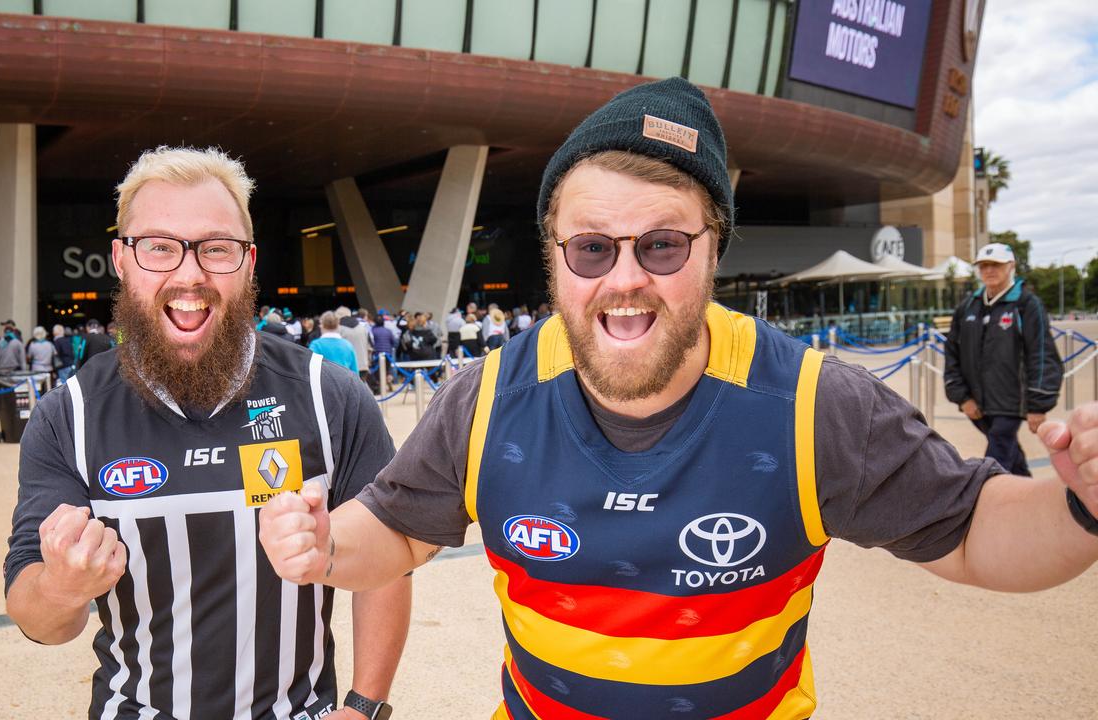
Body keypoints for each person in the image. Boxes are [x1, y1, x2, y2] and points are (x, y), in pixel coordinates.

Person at [258, 77, 1098, 718]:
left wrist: (1082, 506)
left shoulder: (812, 404)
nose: (624, 281)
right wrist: (324, 547)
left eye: (661, 244)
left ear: (712, 248)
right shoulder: (487, 399)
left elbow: (972, 534)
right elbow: (398, 535)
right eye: (591, 248)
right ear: (554, 256)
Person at [4, 146, 409, 720]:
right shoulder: (67, 415)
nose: (189, 274)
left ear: (248, 262)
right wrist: (63, 587)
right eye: (160, 248)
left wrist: (363, 707)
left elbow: (389, 557)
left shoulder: (330, 396)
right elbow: (35, 618)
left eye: (216, 249)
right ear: (121, 260)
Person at [944, 242, 1063, 476]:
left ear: (1011, 266)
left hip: (1012, 403)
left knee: (996, 458)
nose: (989, 270)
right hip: (977, 403)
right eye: (984, 265)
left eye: (996, 265)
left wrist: (1038, 404)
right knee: (1011, 458)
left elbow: (1042, 354)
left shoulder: (1027, 305)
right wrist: (961, 396)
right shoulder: (968, 307)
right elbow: (952, 353)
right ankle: (1027, 492)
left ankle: (982, 500)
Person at [309, 311, 360, 375]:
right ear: (338, 325)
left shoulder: (316, 345)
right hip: (346, 383)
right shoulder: (348, 345)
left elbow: (311, 370)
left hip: (325, 383)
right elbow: (355, 372)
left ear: (321, 325)